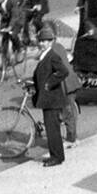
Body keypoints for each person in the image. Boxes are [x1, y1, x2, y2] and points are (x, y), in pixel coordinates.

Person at [31, 26, 70, 167]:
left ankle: (57, 158)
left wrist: (49, 83)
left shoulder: (52, 56)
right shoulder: (45, 55)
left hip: (52, 99)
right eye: (40, 41)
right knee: (51, 128)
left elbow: (63, 71)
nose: (42, 43)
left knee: (52, 129)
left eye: (45, 41)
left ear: (50, 42)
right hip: (48, 98)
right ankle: (56, 155)